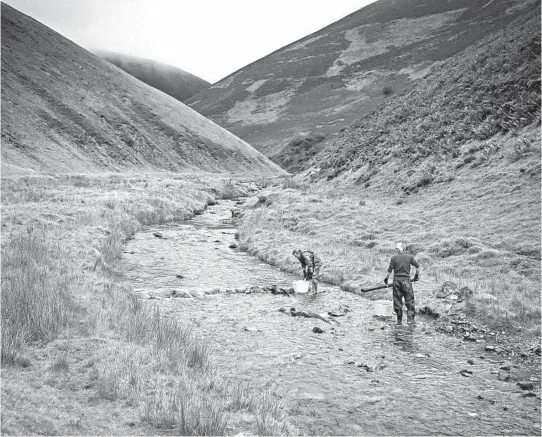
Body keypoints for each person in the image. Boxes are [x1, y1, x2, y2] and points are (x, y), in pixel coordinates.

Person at [384, 242, 420, 325]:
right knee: (409, 301)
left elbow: (389, 271)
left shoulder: (394, 258)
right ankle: (410, 321)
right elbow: (418, 266)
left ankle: (399, 321)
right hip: (407, 282)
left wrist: (386, 279)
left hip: (397, 282)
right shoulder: (410, 257)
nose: (396, 250)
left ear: (399, 249)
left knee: (397, 301)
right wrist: (416, 276)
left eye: (397, 248)